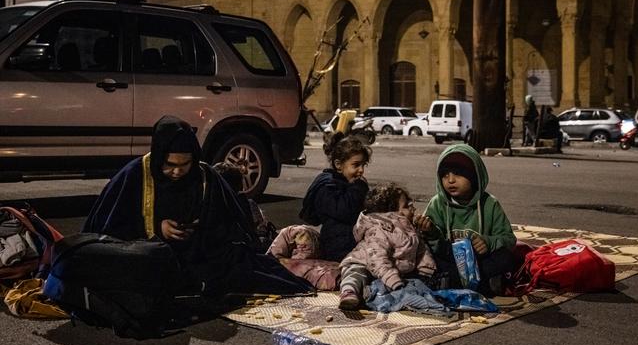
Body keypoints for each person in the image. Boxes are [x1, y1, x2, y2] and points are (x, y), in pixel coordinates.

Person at [83, 115, 312, 299]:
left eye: (184, 165)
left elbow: (231, 225)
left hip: (196, 254)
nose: (177, 172)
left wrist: (200, 229)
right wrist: (157, 227)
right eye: (170, 165)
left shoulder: (204, 176)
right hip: (146, 254)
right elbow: (108, 227)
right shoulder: (135, 174)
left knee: (234, 266)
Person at [414, 144, 517, 296]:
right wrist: (429, 230)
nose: (450, 180)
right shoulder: (437, 203)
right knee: (426, 259)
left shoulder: (489, 203)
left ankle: (456, 282)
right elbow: (433, 245)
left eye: (458, 174)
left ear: (475, 175)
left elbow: (509, 239)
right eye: (444, 175)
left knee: (506, 258)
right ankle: (481, 284)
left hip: (480, 260)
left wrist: (488, 242)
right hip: (451, 260)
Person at [338, 183, 436, 310]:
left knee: (407, 285)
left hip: (388, 270)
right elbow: (377, 258)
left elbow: (421, 250)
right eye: (406, 206)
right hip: (364, 263)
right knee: (356, 274)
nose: (413, 209)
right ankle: (349, 292)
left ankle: (370, 291)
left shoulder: (409, 229)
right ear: (392, 213)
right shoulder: (378, 229)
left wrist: (426, 271)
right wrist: (393, 280)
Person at [299, 132, 371, 262]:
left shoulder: (347, 184)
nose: (361, 170)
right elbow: (344, 211)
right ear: (338, 165)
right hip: (338, 247)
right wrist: (358, 187)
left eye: (363, 165)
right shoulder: (327, 187)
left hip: (349, 241)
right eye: (356, 165)